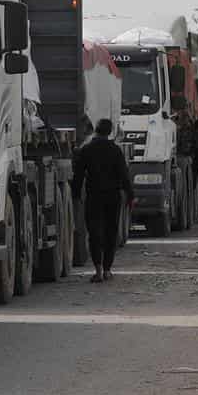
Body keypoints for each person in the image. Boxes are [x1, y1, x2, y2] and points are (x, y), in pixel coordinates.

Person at [72, 118, 135, 283]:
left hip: (94, 197)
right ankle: (107, 270)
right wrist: (130, 196)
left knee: (94, 232)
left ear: (96, 131)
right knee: (110, 232)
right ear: (109, 132)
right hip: (113, 197)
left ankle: (98, 270)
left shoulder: (87, 150)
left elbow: (78, 176)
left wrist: (76, 196)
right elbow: (124, 175)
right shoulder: (115, 150)